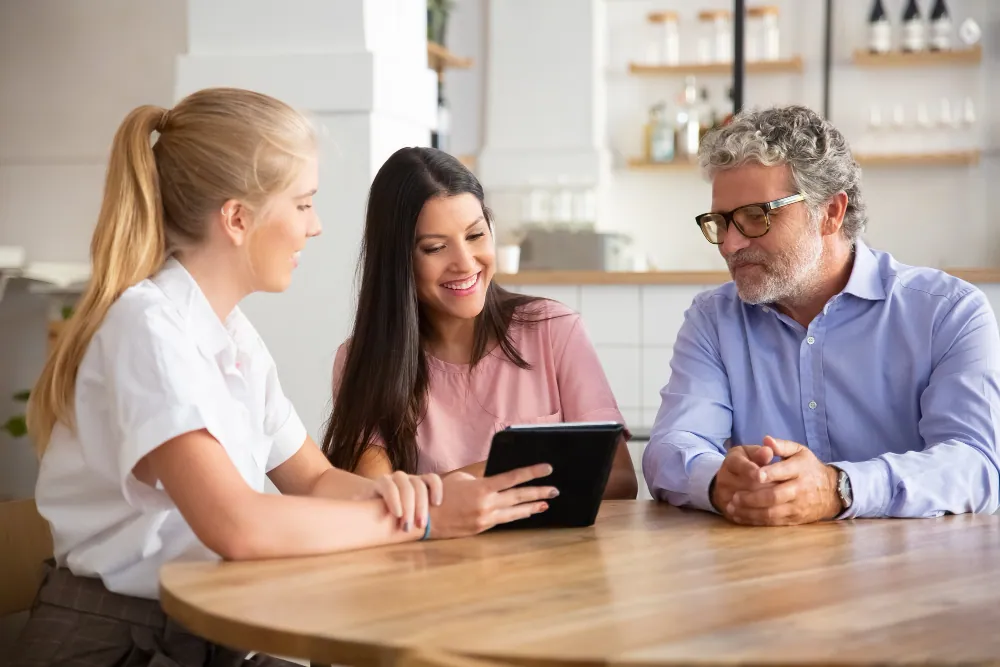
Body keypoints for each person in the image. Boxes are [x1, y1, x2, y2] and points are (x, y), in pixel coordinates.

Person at [12, 88, 557, 667]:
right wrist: (421, 524)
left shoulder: (233, 335)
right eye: (302, 204)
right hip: (118, 642)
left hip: (208, 626)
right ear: (238, 218)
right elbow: (238, 527)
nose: (315, 227)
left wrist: (414, 494)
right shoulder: (146, 330)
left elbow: (316, 481)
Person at [643, 104, 1000, 525]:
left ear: (830, 212)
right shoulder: (713, 319)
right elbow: (671, 447)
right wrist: (718, 480)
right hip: (762, 575)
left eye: (755, 218)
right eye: (720, 222)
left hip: (911, 576)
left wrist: (839, 488)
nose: (729, 245)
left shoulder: (948, 313)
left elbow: (975, 465)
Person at [322, 147, 637, 499]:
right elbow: (377, 496)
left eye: (475, 236)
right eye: (435, 247)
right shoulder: (363, 360)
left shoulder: (555, 329)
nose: (465, 263)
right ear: (397, 261)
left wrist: (448, 488)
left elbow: (619, 478)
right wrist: (530, 467)